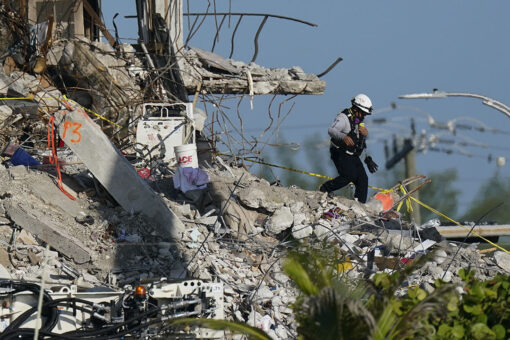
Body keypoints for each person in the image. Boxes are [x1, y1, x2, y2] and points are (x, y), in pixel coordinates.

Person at [319, 93, 379, 203]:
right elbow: (331, 130)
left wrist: (365, 136)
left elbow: (359, 141)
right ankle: (325, 188)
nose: (364, 116)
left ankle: (360, 205)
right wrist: (343, 137)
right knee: (348, 175)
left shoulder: (358, 121)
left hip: (352, 154)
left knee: (363, 179)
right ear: (356, 109)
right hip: (339, 152)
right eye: (363, 113)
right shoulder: (343, 118)